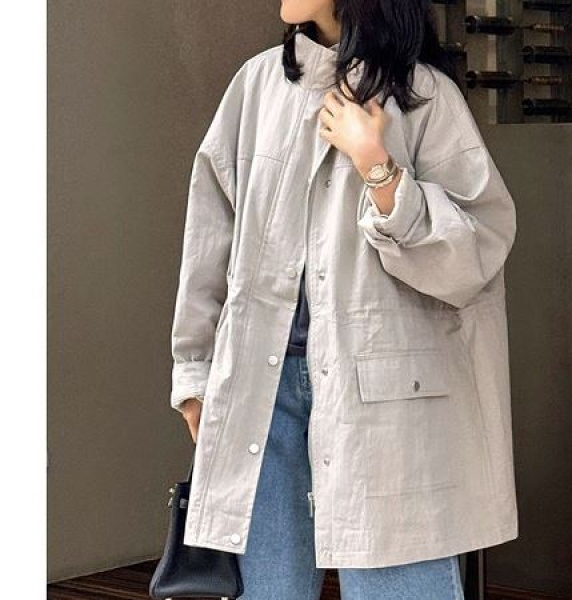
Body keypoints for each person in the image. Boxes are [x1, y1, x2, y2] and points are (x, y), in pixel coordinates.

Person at [169, 1, 518, 598]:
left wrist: (377, 167)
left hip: (387, 392)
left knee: (400, 584)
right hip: (262, 390)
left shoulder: (423, 96)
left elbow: (476, 253)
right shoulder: (256, 85)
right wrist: (195, 371)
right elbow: (210, 235)